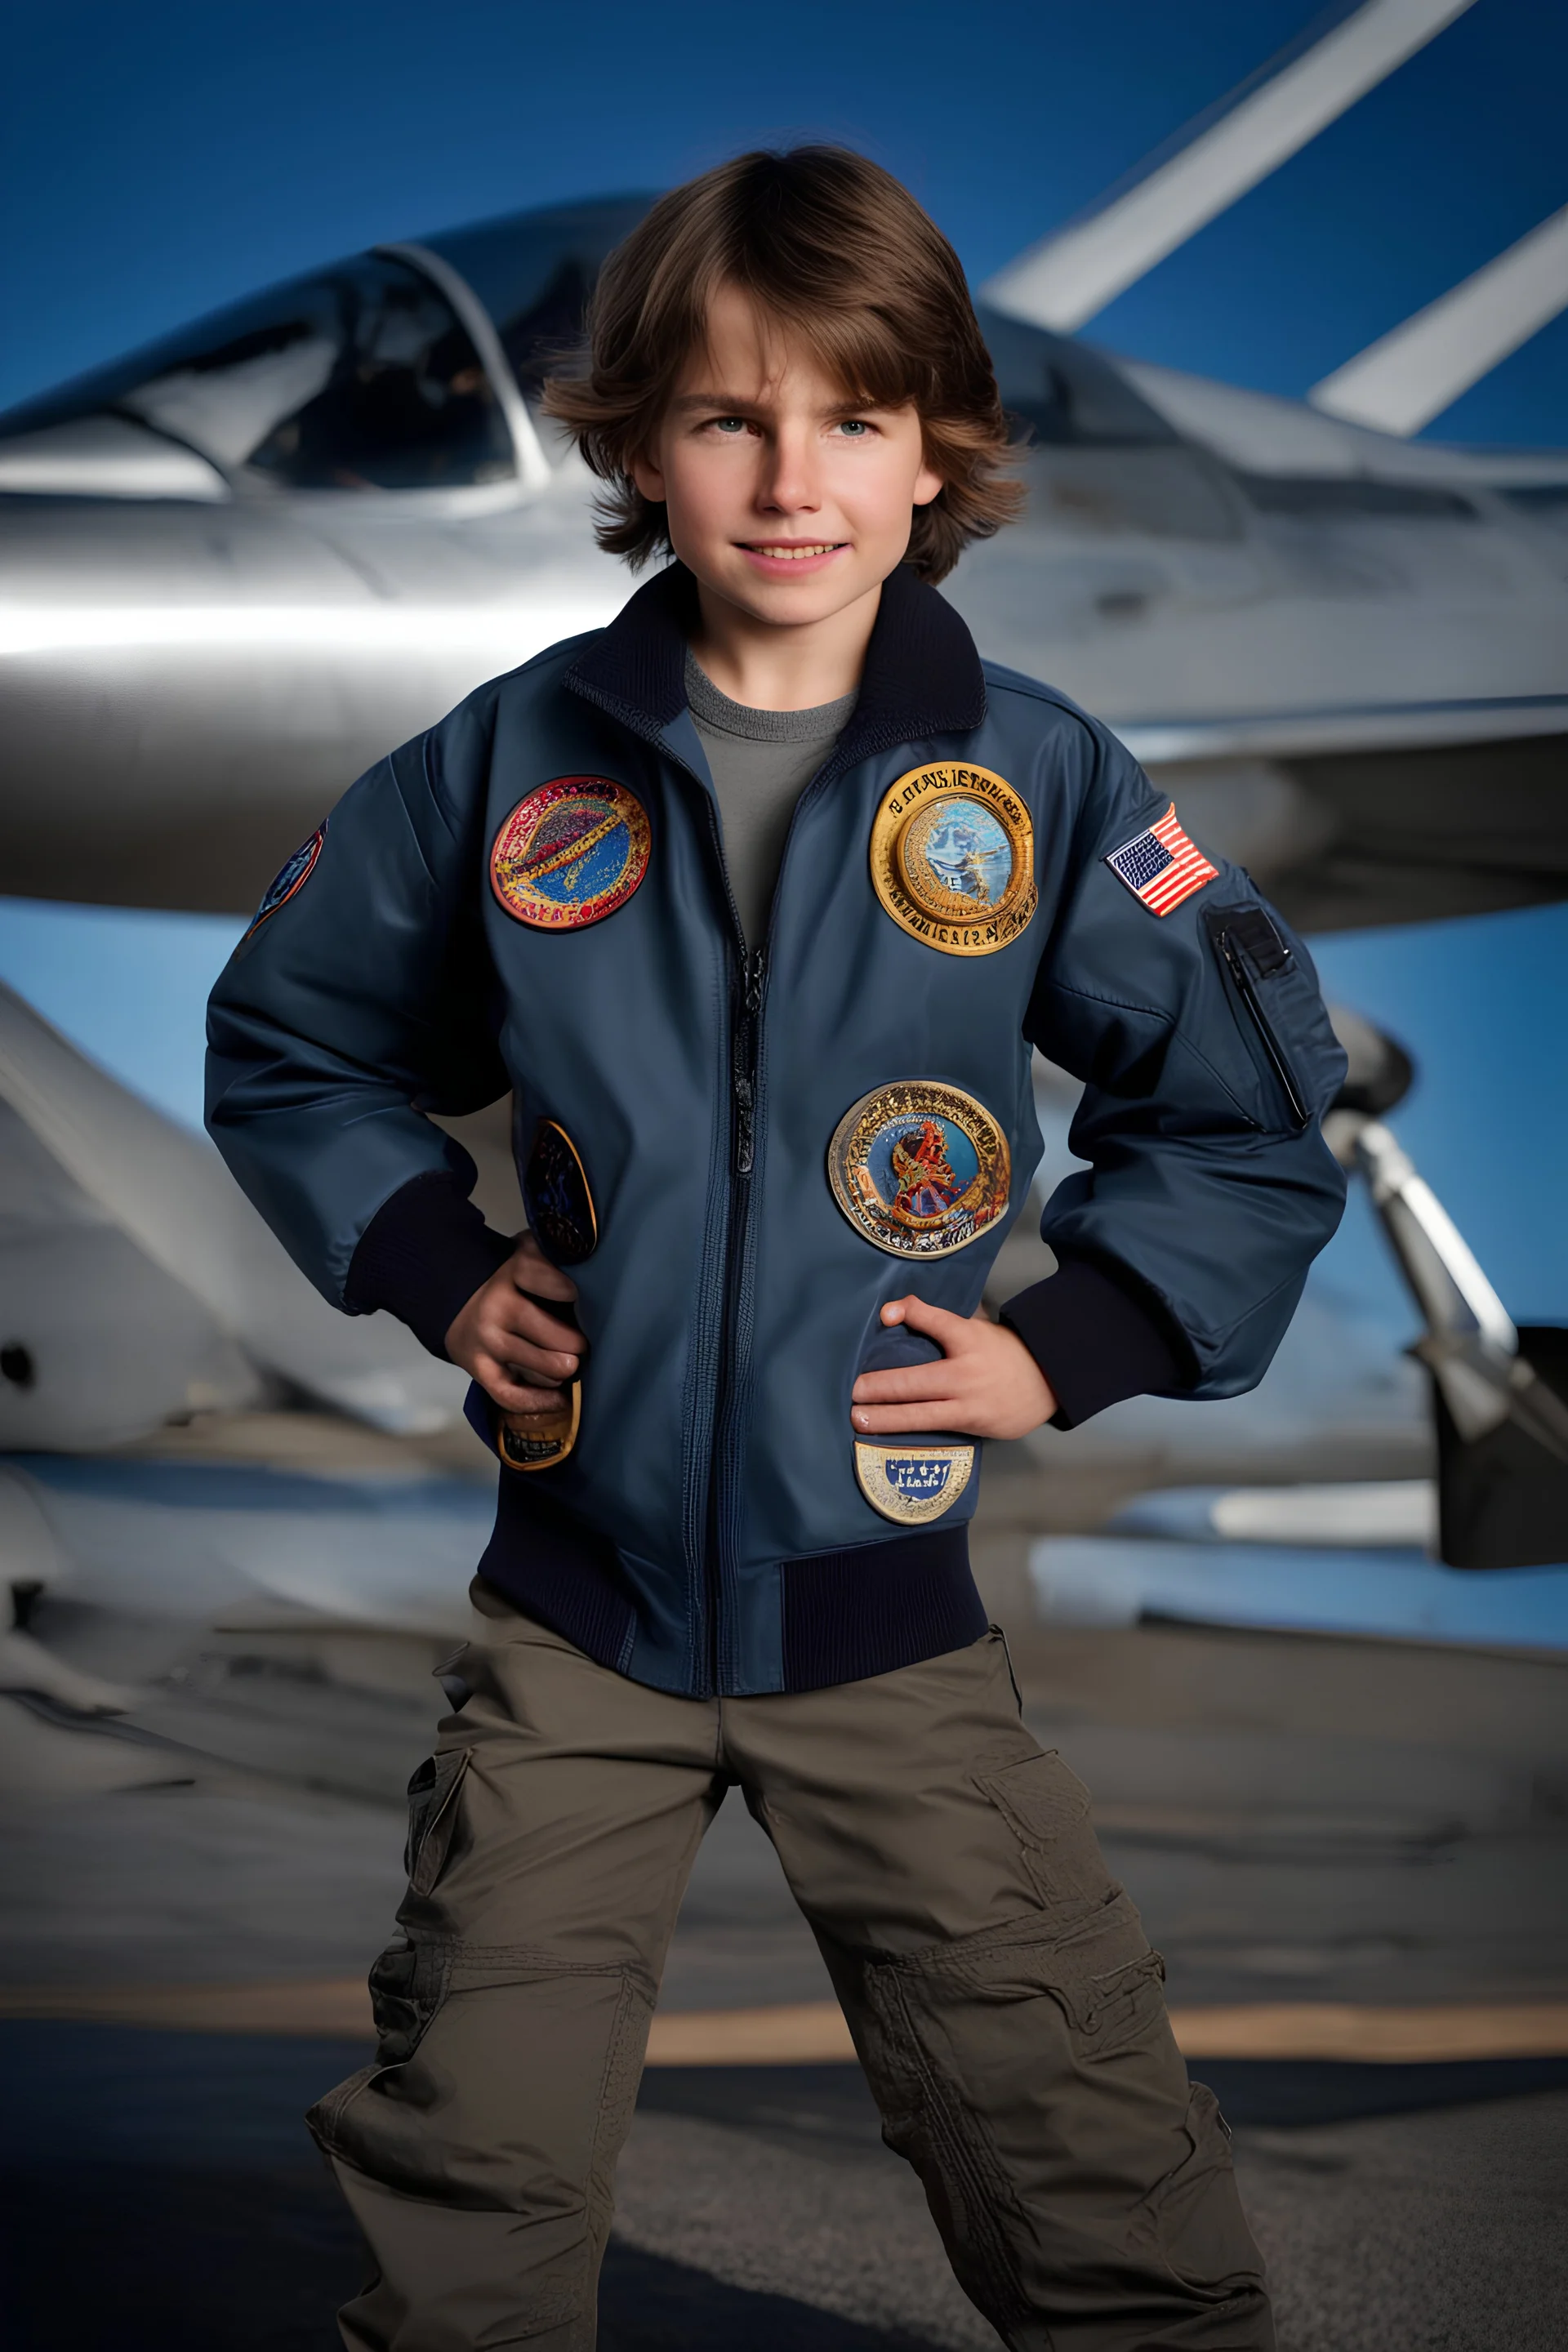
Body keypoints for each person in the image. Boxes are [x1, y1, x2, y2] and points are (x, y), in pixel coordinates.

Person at [207, 146, 1348, 2351]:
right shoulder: (508, 759)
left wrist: (1074, 1340)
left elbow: (1247, 1102)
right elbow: (294, 1034)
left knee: (1098, 2184)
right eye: (728, 417)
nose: (789, 475)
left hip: (888, 1631)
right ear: (639, 446)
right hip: (575, 1633)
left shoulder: (1043, 783)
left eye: (849, 416)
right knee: (469, 2192)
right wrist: (438, 1265)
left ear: (937, 451)